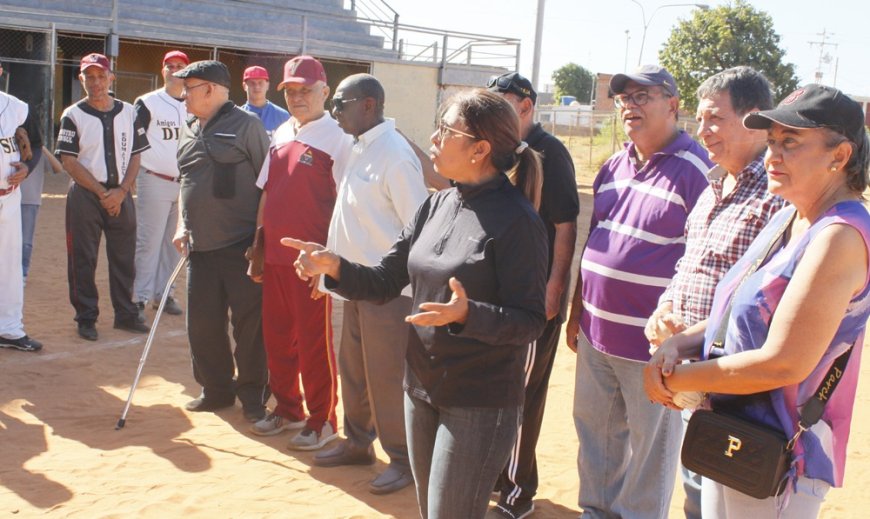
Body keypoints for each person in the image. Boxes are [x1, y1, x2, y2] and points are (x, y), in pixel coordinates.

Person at [283, 89, 548, 519]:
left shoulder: (519, 222)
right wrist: (335, 266)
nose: (435, 138)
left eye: (448, 130)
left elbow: (531, 321)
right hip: (420, 389)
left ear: (480, 149)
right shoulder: (438, 204)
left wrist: (468, 315)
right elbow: (386, 279)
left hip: (479, 402)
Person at [644, 84, 870, 518]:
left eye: (790, 143)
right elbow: (731, 317)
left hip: (781, 456)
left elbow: (782, 362)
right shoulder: (789, 218)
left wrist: (679, 379)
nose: (772, 156)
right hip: (734, 431)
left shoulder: (839, 235)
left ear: (839, 157)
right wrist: (678, 346)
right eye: (770, 142)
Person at [564, 65, 712, 519]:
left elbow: (706, 262)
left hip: (652, 346)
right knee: (596, 434)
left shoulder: (697, 170)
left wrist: (680, 342)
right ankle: (597, 512)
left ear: (673, 104)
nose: (630, 105)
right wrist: (576, 315)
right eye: (624, 98)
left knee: (652, 451)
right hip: (595, 333)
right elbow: (595, 242)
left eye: (643, 96)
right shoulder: (613, 165)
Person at [644, 66, 786, 519]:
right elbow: (690, 266)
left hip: (741, 396)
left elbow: (763, 299)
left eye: (714, 119)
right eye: (699, 120)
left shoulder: (779, 198)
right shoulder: (711, 187)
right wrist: (666, 310)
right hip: (693, 387)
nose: (701, 132)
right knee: (697, 501)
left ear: (756, 118)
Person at [309, 73, 427, 494]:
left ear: (368, 106)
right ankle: (358, 442)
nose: (334, 111)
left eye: (340, 103)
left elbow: (419, 224)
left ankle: (402, 458)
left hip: (388, 292)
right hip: (355, 284)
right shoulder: (360, 147)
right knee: (355, 370)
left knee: (386, 376)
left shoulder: (395, 156)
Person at [487, 71, 580, 519]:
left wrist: (555, 288)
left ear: (525, 105)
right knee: (500, 390)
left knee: (523, 396)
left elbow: (565, 224)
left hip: (534, 300)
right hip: (502, 298)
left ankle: (519, 491)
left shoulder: (550, 152)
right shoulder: (501, 150)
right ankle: (498, 475)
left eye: (501, 102)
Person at [248, 55, 350, 450]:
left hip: (312, 261)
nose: (297, 97)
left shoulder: (339, 138)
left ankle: (322, 418)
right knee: (277, 338)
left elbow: (344, 204)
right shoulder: (280, 132)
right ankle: (288, 408)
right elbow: (268, 192)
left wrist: (331, 260)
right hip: (275, 256)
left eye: (305, 90)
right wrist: (260, 244)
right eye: (290, 90)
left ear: (325, 91)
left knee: (313, 341)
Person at [172, 60, 270, 422]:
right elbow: (185, 182)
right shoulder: (188, 129)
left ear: (211, 90)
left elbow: (267, 184)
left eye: (190, 88)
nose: (183, 96)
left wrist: (260, 242)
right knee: (202, 324)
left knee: (249, 326)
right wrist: (183, 224)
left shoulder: (248, 126)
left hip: (241, 245)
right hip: (199, 246)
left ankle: (254, 394)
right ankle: (216, 390)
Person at [56, 53, 151, 341]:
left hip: (121, 194)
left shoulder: (128, 111)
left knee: (124, 257)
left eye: (101, 76)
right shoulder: (72, 115)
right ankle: (86, 317)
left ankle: (125, 313)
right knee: (83, 258)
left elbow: (136, 154)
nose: (95, 82)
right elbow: (69, 161)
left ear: (112, 77)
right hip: (86, 195)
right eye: (89, 76)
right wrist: (102, 193)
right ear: (80, 79)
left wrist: (121, 191)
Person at [132, 50, 189, 321]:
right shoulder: (148, 102)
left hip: (184, 183)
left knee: (173, 245)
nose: (174, 70)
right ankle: (140, 298)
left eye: (180, 66)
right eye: (170, 66)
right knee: (149, 242)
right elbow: (135, 142)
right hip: (154, 178)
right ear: (163, 69)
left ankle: (164, 295)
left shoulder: (193, 103)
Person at [0, 62, 42, 352]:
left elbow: (37, 145)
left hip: (9, 196)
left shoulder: (17, 108)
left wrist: (27, 167)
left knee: (10, 266)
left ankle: (9, 329)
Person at [18, 111, 45, 283]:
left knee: (25, 240)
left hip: (29, 197)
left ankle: (23, 272)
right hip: (13, 195)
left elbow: (58, 168)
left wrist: (34, 153)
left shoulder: (37, 148)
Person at [240, 65, 289, 137]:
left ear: (267, 85)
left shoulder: (282, 116)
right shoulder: (237, 116)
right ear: (244, 86)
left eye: (260, 83)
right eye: (252, 83)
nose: (257, 87)